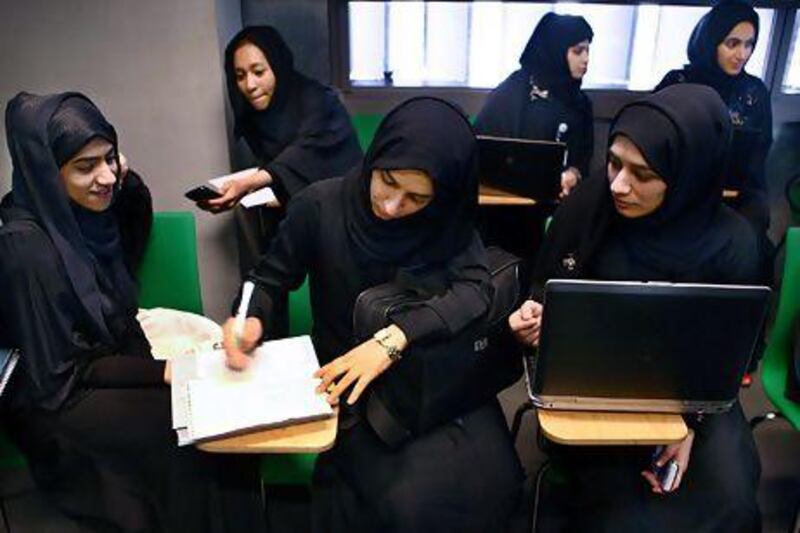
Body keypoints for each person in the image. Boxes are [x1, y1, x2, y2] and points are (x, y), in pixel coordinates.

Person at [222, 97, 523, 532]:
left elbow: (476, 291)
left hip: (436, 374)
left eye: (417, 197)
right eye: (387, 181)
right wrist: (249, 318)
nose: (391, 206)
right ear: (376, 156)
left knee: (499, 480)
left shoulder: (443, 222)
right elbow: (266, 281)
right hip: (352, 382)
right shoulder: (319, 206)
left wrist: (394, 339)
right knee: (410, 504)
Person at [0, 92, 264, 533]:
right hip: (58, 402)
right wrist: (166, 372)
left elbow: (133, 209)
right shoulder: (26, 248)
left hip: (102, 363)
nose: (106, 177)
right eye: (86, 166)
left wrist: (121, 172)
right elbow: (61, 375)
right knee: (187, 441)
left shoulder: (80, 215)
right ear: (48, 172)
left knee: (219, 427)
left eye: (109, 158)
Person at [509, 84, 762, 531]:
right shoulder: (588, 208)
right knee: (628, 514)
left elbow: (728, 353)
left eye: (642, 174)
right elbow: (544, 294)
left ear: (689, 175)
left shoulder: (733, 245)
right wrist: (534, 321)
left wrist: (688, 427)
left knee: (731, 498)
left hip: (693, 396)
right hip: (593, 386)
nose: (619, 185)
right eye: (613, 163)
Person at [655, 0, 772, 235]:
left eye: (749, 45)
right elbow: (651, 142)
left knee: (752, 223)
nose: (742, 54)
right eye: (733, 44)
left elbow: (759, 153)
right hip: (679, 191)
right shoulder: (678, 83)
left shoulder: (754, 91)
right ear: (711, 42)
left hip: (737, 196)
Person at [475, 12, 595, 199]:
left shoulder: (580, 103)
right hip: (507, 201)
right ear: (555, 51)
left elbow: (583, 158)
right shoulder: (511, 95)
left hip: (561, 203)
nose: (586, 59)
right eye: (578, 51)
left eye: (588, 51)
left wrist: (573, 174)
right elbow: (485, 158)